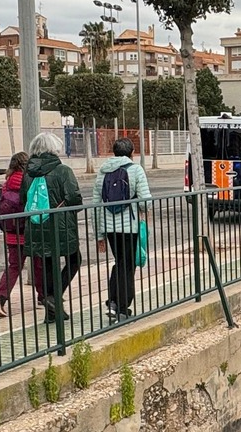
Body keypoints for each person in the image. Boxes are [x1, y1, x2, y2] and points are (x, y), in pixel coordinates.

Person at [19, 132, 84, 321]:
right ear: (54, 149)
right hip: (60, 225)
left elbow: (23, 199)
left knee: (47, 264)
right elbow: (74, 198)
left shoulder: (28, 173)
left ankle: (51, 313)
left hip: (35, 225)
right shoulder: (63, 171)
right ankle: (53, 298)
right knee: (74, 259)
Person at [96, 137, 151, 320]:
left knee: (120, 261)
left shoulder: (103, 171)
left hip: (109, 227)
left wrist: (99, 234)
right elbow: (145, 200)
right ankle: (121, 306)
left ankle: (112, 302)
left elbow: (96, 204)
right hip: (129, 227)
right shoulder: (135, 169)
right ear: (131, 153)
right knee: (127, 265)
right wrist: (142, 209)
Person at [0, 152, 29, 317]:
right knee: (39, 263)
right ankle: (45, 297)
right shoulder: (27, 182)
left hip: (11, 233)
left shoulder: (7, 183)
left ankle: (0, 297)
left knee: (14, 266)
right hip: (28, 231)